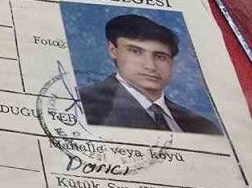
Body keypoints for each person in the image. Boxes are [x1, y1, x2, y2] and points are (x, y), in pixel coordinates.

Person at [79, 14, 221, 134]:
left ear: (172, 62)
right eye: (136, 52)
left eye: (160, 57)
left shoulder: (202, 126)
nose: (151, 66)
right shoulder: (84, 106)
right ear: (113, 50)